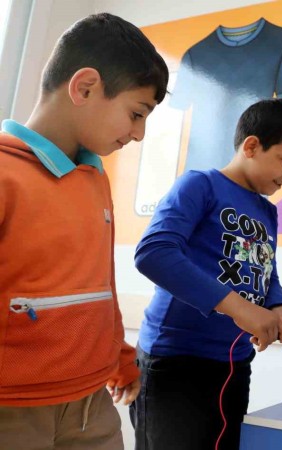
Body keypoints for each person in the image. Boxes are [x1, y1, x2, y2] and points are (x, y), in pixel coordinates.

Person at [0, 13, 169, 450]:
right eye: (136, 114)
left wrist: (121, 358)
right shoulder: (5, 173)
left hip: (92, 406)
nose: (138, 133)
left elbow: (100, 284)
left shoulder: (95, 179)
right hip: (12, 410)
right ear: (86, 87)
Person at [131, 98, 282, 450]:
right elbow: (154, 253)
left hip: (234, 365)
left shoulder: (267, 211)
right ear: (251, 146)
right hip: (176, 363)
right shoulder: (200, 185)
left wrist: (280, 307)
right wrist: (241, 308)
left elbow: (264, 272)